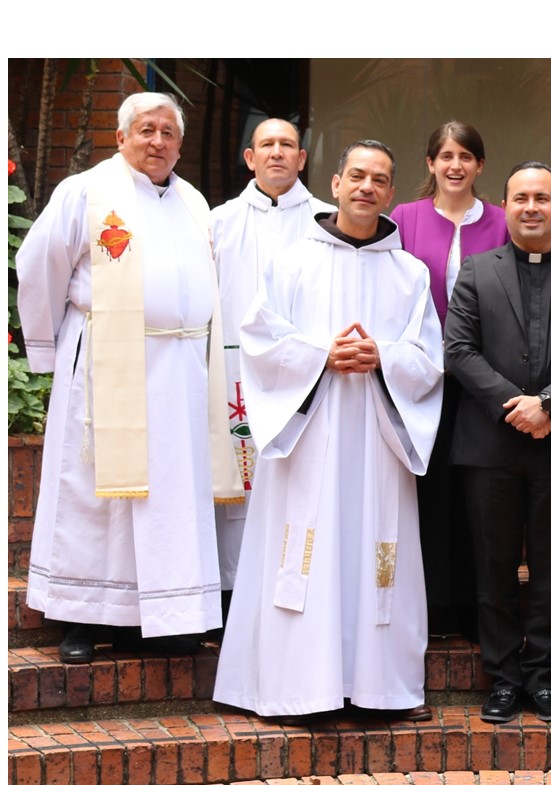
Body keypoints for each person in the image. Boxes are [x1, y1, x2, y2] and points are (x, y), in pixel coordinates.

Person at [210, 139, 444, 724]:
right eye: (357, 176)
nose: (367, 187)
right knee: (303, 547)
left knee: (375, 548)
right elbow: (260, 343)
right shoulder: (292, 262)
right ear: (335, 183)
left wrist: (382, 357)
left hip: (377, 439)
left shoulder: (409, 273)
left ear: (392, 192)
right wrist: (323, 354)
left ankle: (378, 688)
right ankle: (297, 689)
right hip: (308, 437)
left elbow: (430, 360)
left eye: (380, 179)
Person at [15, 92, 235, 664]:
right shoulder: (85, 191)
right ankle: (80, 618)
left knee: (167, 497)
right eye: (145, 130)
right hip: (106, 367)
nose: (157, 141)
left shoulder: (192, 201)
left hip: (182, 369)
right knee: (97, 494)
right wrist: (46, 349)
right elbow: (39, 265)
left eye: (168, 133)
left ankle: (161, 617)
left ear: (180, 147)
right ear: (121, 137)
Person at [443, 161, 551, 724]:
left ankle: (541, 674)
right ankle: (501, 677)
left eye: (543, 197)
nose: (532, 207)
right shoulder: (475, 270)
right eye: (521, 197)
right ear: (507, 206)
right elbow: (459, 349)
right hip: (491, 446)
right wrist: (516, 407)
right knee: (493, 569)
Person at [389, 121, 506, 640]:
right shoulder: (405, 219)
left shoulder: (502, 222)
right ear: (431, 164)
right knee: (430, 492)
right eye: (445, 156)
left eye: (466, 156)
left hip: (484, 380)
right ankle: (434, 609)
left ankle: (478, 608)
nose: (455, 166)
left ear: (480, 165)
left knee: (479, 495)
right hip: (423, 379)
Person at [208, 118, 335, 590]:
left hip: (306, 372)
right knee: (236, 481)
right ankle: (230, 589)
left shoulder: (327, 221)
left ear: (302, 159)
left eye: (287, 145)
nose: (277, 153)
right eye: (267, 145)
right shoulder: (219, 222)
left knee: (298, 483)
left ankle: (297, 583)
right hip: (233, 373)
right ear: (250, 157)